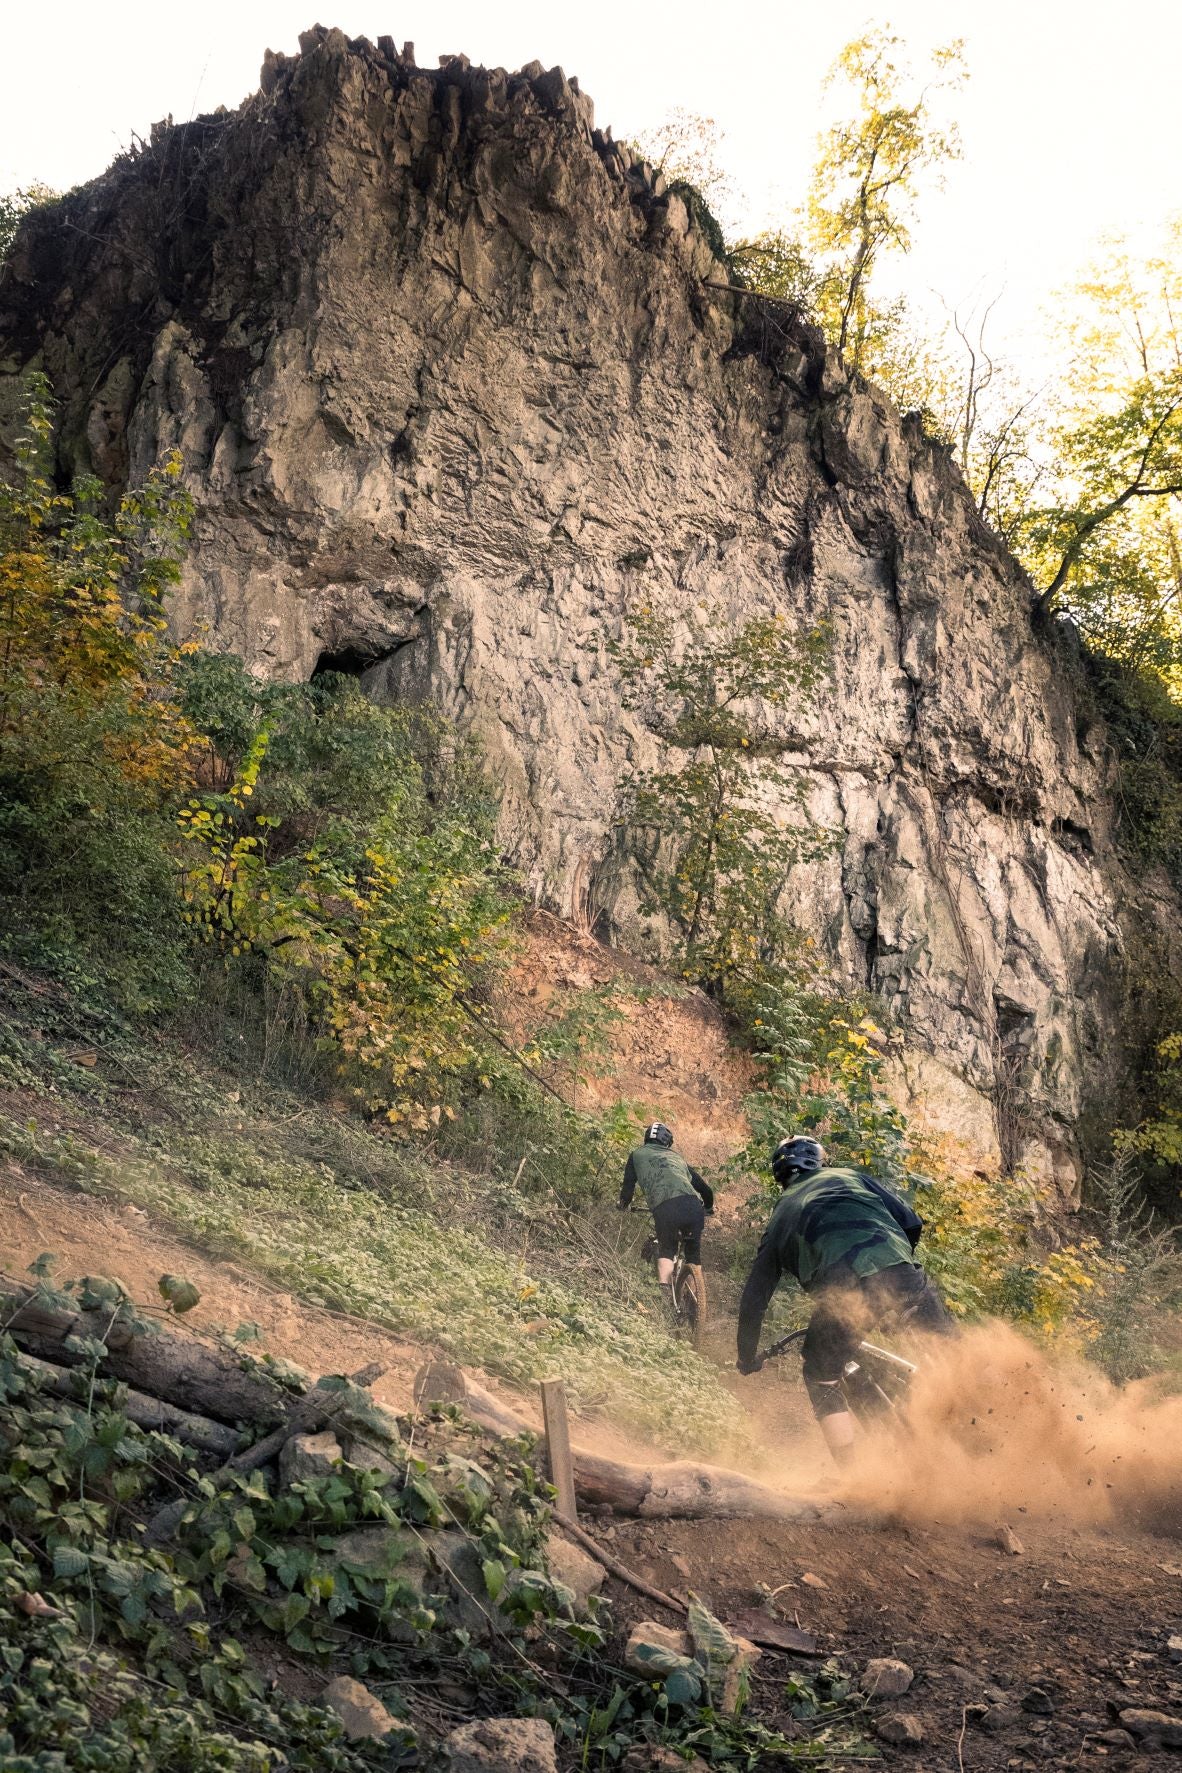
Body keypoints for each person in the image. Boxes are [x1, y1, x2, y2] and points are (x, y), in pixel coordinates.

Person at [735, 1135, 953, 1466]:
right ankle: (992, 1416)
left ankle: (850, 1474)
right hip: (900, 1273)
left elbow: (754, 1299)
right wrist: (895, 1267)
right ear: (821, 1162)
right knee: (952, 1351)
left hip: (845, 1293)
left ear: (781, 1178)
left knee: (820, 1370)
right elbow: (911, 1221)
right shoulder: (851, 1177)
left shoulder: (781, 1218)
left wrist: (747, 1357)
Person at [618, 1122, 714, 1316]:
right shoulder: (677, 1158)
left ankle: (664, 1299)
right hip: (693, 1206)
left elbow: (628, 1186)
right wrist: (709, 1207)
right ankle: (695, 1302)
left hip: (665, 1207)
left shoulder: (637, 1154)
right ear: (667, 1142)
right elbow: (704, 1188)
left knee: (667, 1249)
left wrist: (624, 1204)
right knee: (693, 1255)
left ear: (647, 1139)